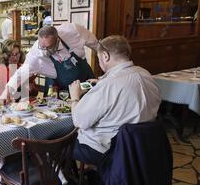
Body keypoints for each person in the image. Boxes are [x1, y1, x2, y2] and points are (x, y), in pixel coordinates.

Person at [68, 35, 161, 167]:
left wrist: (75, 97)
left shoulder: (108, 85)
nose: (100, 62)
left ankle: (69, 184)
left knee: (62, 142)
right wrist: (102, 83)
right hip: (142, 146)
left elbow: (79, 121)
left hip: (109, 150)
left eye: (99, 58)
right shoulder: (146, 74)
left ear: (105, 56)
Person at [0, 23, 98, 100]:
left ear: (57, 40)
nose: (44, 51)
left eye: (48, 47)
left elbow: (96, 45)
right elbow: (21, 73)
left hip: (85, 80)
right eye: (42, 46)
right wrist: (6, 91)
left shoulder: (73, 31)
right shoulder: (36, 53)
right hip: (61, 88)